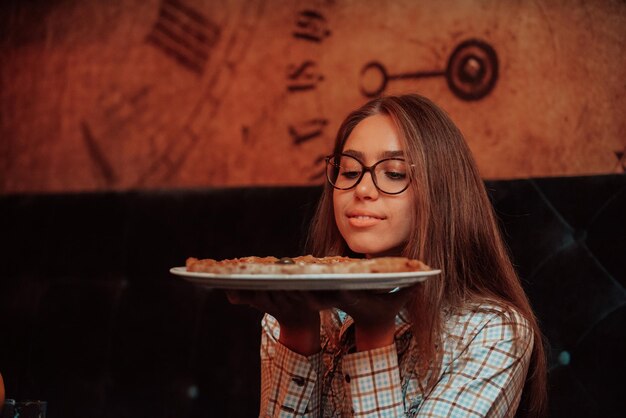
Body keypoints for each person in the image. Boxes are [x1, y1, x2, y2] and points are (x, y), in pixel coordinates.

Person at [228, 94, 547, 417]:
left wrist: (374, 333)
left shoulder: (489, 331)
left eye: (394, 173)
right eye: (350, 171)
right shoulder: (288, 313)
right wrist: (296, 335)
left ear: (442, 191)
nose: (362, 190)